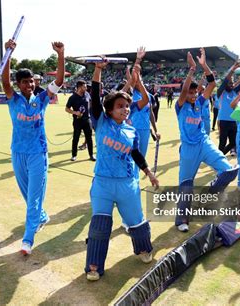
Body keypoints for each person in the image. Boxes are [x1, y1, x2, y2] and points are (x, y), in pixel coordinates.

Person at [85, 59, 159, 281]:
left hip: (128, 184)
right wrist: (98, 70)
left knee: (137, 222)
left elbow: (136, 154)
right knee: (100, 225)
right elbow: (96, 101)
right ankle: (94, 266)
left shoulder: (131, 130)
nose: (125, 109)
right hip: (103, 185)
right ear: (109, 110)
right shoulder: (101, 122)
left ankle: (144, 249)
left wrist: (149, 173)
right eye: (120, 106)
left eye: (127, 106)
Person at [1, 38, 65, 255]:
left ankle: (28, 239)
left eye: (32, 81)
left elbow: (59, 80)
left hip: (38, 153)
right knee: (27, 194)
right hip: (18, 153)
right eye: (25, 82)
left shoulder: (42, 99)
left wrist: (60, 54)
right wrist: (8, 53)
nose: (30, 85)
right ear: (19, 84)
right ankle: (42, 216)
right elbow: (5, 82)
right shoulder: (13, 100)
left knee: (34, 197)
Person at [175, 49, 239, 232]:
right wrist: (192, 69)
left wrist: (204, 66)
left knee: (229, 171)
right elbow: (185, 90)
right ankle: (182, 220)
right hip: (188, 149)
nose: (193, 95)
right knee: (186, 185)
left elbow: (211, 83)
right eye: (190, 93)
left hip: (204, 143)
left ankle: (210, 193)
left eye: (195, 93)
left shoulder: (200, 103)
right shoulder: (180, 106)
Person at [65, 80, 95, 161]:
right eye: (84, 86)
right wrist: (75, 112)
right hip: (77, 121)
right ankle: (74, 155)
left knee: (89, 138)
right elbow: (67, 109)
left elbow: (90, 103)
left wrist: (89, 113)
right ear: (79, 87)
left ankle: (91, 155)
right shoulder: (72, 97)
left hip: (87, 120)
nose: (86, 88)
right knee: (76, 138)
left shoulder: (87, 94)